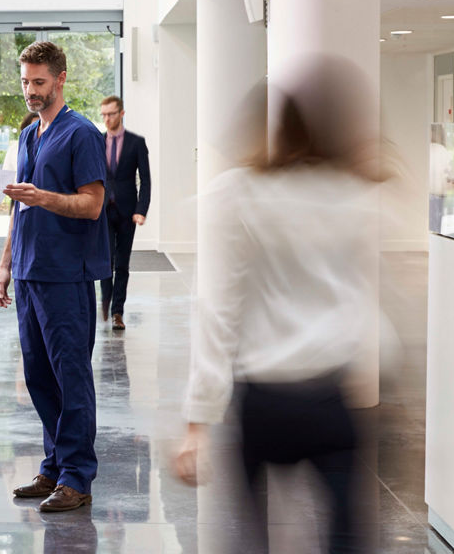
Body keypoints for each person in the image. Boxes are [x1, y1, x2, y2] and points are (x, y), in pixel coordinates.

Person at [173, 59, 386, 553]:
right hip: (332, 395)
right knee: (348, 538)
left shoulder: (238, 194)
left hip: (265, 401)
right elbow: (362, 300)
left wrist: (196, 420)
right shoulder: (352, 194)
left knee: (253, 540)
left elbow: (218, 309)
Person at [0, 40, 111, 513]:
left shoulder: (81, 134)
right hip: (28, 270)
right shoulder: (28, 136)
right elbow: (19, 207)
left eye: (39, 82)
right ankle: (55, 466)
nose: (30, 91)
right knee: (39, 376)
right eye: (25, 82)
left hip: (67, 274)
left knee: (71, 376)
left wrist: (46, 198)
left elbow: (93, 203)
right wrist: (4, 264)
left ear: (61, 79)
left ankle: (77, 476)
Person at [97, 95, 151, 330]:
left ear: (121, 113)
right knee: (105, 261)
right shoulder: (97, 142)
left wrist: (141, 210)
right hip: (102, 211)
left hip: (128, 212)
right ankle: (106, 303)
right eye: (104, 115)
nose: (107, 119)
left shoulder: (136, 143)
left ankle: (118, 311)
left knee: (122, 264)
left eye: (111, 114)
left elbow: (146, 180)